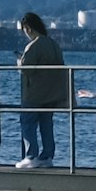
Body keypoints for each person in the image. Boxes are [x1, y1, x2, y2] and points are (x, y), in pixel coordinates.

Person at [12, 11, 66, 168]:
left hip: (34, 93)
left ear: (28, 28)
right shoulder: (53, 44)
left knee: (27, 123)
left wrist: (19, 62)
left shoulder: (33, 46)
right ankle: (47, 156)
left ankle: (31, 156)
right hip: (51, 94)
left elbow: (27, 69)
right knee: (46, 124)